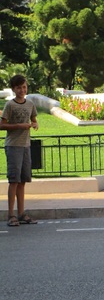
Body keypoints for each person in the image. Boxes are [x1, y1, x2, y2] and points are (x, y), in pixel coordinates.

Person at [0, 74, 39, 226]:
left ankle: (21, 213)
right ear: (13, 89)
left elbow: (34, 119)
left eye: (24, 87)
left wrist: (35, 124)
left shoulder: (30, 104)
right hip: (13, 145)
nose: (22, 90)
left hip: (25, 146)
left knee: (22, 181)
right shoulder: (10, 105)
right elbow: (2, 125)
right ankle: (11, 215)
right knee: (14, 180)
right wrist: (18, 126)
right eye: (19, 88)